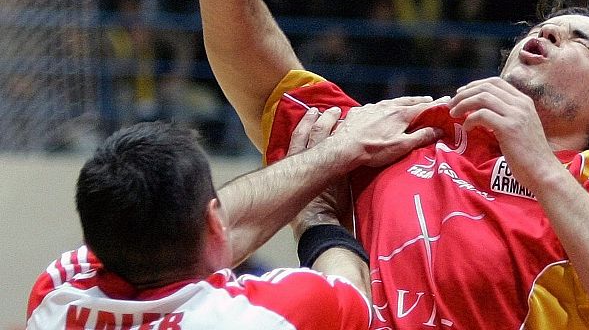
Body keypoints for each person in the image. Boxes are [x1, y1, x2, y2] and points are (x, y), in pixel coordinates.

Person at [197, 0, 589, 329]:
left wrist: (541, 166)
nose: (546, 32)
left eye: (580, 43)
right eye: (545, 27)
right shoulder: (412, 133)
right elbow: (270, 90)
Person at [25, 96, 442, 329]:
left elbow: (201, 228)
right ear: (212, 220)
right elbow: (354, 296)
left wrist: (335, 154)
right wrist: (318, 218)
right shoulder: (261, 317)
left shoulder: (54, 297)